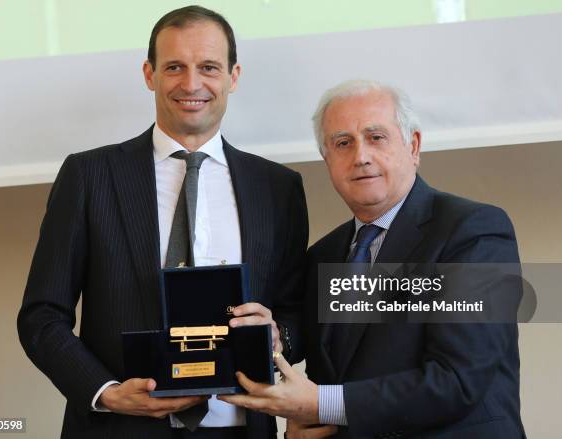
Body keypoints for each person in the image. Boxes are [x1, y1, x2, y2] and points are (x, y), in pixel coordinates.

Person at [17, 6, 308, 439]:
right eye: (175, 67)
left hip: (241, 427)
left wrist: (278, 336)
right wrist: (106, 391)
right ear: (149, 74)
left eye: (208, 67)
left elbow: (295, 311)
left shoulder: (278, 187)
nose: (192, 84)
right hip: (119, 427)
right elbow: (41, 316)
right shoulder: (89, 176)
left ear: (234, 75)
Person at [219, 80, 525, 438]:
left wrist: (319, 405)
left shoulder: (472, 231)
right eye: (342, 143)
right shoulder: (323, 255)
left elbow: (457, 381)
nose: (360, 156)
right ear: (327, 159)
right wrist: (272, 337)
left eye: (376, 137)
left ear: (413, 146)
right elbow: (311, 348)